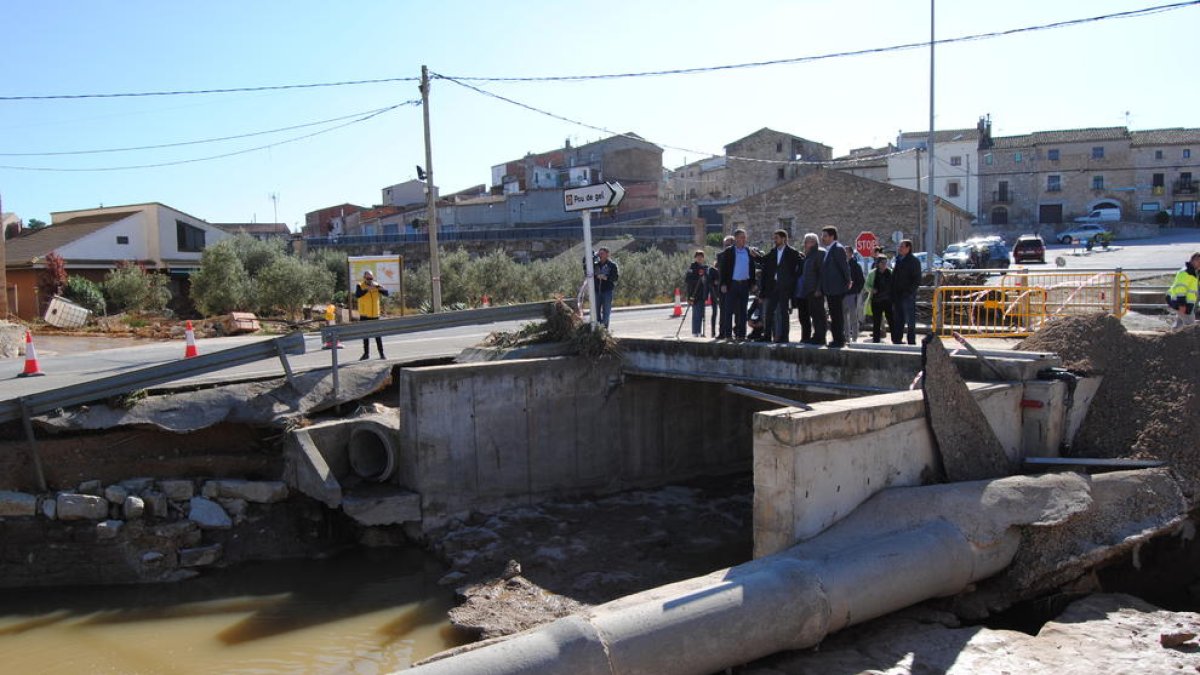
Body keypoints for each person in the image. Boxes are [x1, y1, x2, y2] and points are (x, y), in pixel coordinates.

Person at [759, 229, 802, 343]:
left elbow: (800, 265)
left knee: (784, 312)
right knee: (769, 311)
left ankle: (784, 337)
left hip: (785, 287)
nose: (775, 240)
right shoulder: (773, 252)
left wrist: (792, 279)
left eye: (777, 237)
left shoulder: (792, 252)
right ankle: (767, 335)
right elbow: (763, 261)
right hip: (773, 287)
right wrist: (755, 255)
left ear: (783, 239)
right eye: (774, 238)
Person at [718, 229, 759, 340]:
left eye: (745, 237)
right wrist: (723, 284)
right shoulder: (729, 251)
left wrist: (753, 283)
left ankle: (741, 334)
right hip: (732, 284)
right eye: (741, 237)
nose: (744, 239)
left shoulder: (748, 251)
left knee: (742, 311)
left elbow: (752, 268)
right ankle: (728, 334)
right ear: (736, 238)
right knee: (729, 310)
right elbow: (723, 269)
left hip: (744, 284)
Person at [819, 226, 852, 348]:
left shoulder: (837, 249)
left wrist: (848, 281)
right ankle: (836, 339)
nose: (823, 238)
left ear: (832, 236)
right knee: (834, 315)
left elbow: (844, 267)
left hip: (836, 288)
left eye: (825, 236)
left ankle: (839, 340)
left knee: (837, 315)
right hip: (830, 288)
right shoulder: (829, 249)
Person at [891, 239, 922, 345]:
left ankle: (911, 341)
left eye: (902, 246)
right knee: (898, 319)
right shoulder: (898, 260)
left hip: (907, 295)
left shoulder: (914, 261)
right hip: (897, 294)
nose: (900, 248)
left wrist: (909, 291)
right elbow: (894, 277)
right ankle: (897, 340)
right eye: (899, 246)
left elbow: (917, 279)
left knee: (910, 320)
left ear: (908, 248)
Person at [355, 270, 389, 360]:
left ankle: (381, 354)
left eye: (371, 278)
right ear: (364, 278)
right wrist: (366, 290)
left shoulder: (376, 285)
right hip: (364, 314)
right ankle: (366, 354)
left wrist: (381, 288)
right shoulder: (360, 285)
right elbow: (357, 295)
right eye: (368, 278)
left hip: (375, 314)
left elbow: (387, 293)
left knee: (378, 335)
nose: (370, 279)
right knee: (365, 335)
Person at [797, 233, 824, 344]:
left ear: (813, 242)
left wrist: (819, 289)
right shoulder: (809, 254)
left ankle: (820, 337)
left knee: (818, 314)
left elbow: (821, 273)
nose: (805, 243)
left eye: (807, 241)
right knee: (813, 314)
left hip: (815, 290)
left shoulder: (819, 253)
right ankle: (816, 336)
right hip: (809, 290)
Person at [865, 255, 895, 343]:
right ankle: (876, 340)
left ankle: (895, 339)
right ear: (878, 264)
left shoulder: (890, 272)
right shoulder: (872, 273)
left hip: (888, 301)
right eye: (882, 263)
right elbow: (866, 285)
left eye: (886, 263)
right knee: (876, 322)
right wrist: (871, 290)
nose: (884, 265)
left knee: (891, 321)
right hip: (876, 301)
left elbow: (894, 285)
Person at [684, 250, 715, 337]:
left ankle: (700, 331)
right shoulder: (692, 267)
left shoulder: (705, 268)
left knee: (701, 314)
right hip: (694, 294)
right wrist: (698, 280)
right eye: (698, 257)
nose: (699, 258)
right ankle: (695, 332)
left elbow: (708, 280)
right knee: (696, 314)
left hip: (703, 294)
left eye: (701, 257)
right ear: (695, 258)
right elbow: (687, 280)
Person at [1167, 252, 1200, 330]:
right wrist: (1182, 305)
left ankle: (1171, 337)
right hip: (1182, 303)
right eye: (1199, 262)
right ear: (1193, 261)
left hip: (1186, 303)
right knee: (1190, 325)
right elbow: (1180, 289)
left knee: (1180, 323)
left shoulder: (1194, 272)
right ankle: (1191, 342)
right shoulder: (1186, 272)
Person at [713, 235, 735, 339]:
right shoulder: (720, 255)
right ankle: (723, 332)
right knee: (723, 311)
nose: (726, 246)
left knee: (736, 311)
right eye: (725, 244)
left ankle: (735, 332)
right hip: (723, 287)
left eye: (729, 244)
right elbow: (720, 271)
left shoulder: (737, 254)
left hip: (734, 285)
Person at [843, 247, 866, 343]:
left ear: (851, 253)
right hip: (842, 294)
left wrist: (856, 291)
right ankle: (847, 337)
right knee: (844, 318)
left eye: (846, 252)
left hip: (852, 294)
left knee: (853, 317)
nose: (844, 254)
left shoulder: (856, 266)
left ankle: (855, 337)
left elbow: (861, 281)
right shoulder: (842, 264)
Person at [593, 247, 619, 328]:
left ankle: (604, 329)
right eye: (599, 253)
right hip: (597, 291)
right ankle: (598, 328)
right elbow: (591, 275)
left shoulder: (612, 265)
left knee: (606, 311)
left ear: (607, 254)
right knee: (596, 311)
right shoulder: (595, 265)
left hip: (607, 291)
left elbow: (615, 278)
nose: (600, 255)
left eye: (602, 253)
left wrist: (606, 278)